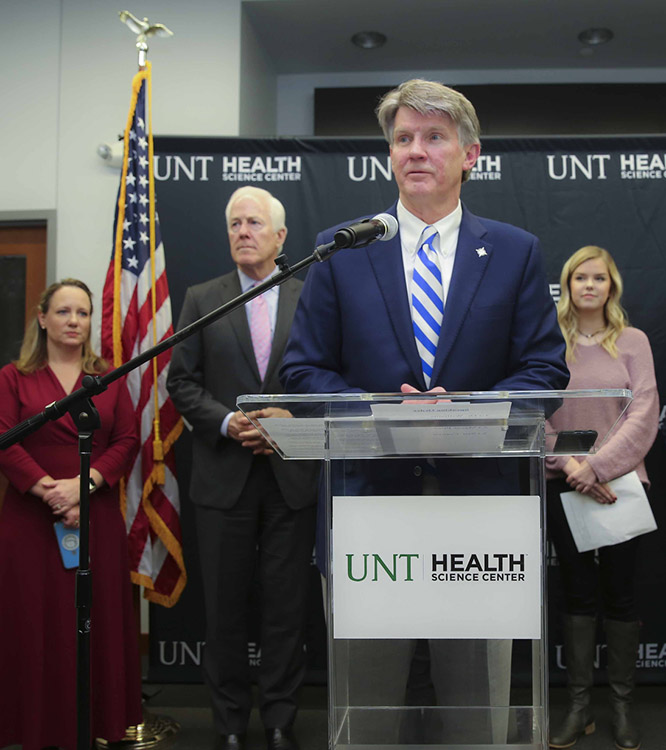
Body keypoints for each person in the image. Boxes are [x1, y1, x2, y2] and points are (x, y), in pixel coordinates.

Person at [280, 78, 569, 743]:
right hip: (368, 508)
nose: (415, 151)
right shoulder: (343, 249)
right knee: (367, 706)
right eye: (403, 138)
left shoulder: (515, 251)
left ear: (470, 154)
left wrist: (472, 406)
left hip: (483, 512)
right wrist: (372, 406)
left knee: (478, 709)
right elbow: (302, 371)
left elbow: (545, 368)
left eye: (434, 137)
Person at [167, 186, 318, 750]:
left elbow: (328, 379)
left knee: (285, 609)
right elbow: (181, 381)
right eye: (234, 223)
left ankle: (280, 720)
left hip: (290, 474)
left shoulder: (312, 297)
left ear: (281, 236)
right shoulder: (203, 298)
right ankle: (229, 724)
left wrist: (286, 418)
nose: (242, 232)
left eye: (254, 223)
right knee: (223, 612)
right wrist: (230, 423)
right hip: (222, 475)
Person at [0, 279, 142, 750]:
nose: (74, 322)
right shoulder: (13, 378)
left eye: (82, 313)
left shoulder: (106, 377)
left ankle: (94, 727)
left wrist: (82, 486)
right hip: (30, 522)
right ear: (42, 318)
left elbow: (126, 441)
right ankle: (33, 730)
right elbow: (4, 437)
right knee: (35, 626)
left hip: (95, 515)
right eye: (63, 312)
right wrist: (50, 491)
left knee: (93, 623)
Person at [546, 246, 658, 750]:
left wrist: (596, 467)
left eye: (599, 278)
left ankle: (621, 709)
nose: (589, 286)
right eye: (580, 278)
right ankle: (578, 709)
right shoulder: (548, 343)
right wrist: (571, 467)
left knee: (621, 596)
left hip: (621, 488)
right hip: (564, 484)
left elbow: (644, 413)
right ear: (567, 286)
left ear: (611, 286)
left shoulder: (632, 342)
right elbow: (536, 414)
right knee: (576, 595)